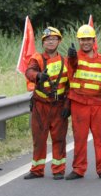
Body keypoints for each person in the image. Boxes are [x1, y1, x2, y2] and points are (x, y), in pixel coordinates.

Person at [65, 24, 101, 180]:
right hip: (79, 103)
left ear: (94, 40)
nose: (85, 42)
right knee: (80, 138)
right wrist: (72, 57)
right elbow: (72, 66)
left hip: (98, 104)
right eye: (82, 40)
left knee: (100, 137)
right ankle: (79, 169)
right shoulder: (74, 58)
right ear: (79, 41)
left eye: (88, 39)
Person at [23, 27, 70, 180]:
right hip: (40, 105)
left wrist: (67, 106)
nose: (51, 41)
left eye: (54, 39)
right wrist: (38, 76)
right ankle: (37, 170)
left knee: (60, 139)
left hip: (59, 106)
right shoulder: (36, 58)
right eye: (47, 39)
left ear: (59, 41)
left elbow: (70, 85)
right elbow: (29, 72)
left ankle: (59, 170)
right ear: (43, 42)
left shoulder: (65, 61)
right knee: (39, 139)